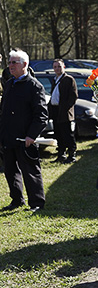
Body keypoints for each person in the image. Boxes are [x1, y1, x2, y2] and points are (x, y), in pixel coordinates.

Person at [0, 50, 48, 212]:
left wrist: (31, 135)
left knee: (30, 171)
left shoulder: (34, 86)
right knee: (10, 171)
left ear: (25, 64)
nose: (10, 66)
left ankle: (36, 203)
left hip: (25, 139)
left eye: (14, 62)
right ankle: (17, 200)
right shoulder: (9, 84)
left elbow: (41, 115)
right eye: (9, 62)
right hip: (8, 137)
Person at [48, 59, 78, 164]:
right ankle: (61, 154)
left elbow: (73, 97)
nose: (57, 69)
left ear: (63, 67)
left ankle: (72, 155)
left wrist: (65, 108)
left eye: (59, 66)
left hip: (65, 112)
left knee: (67, 134)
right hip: (55, 111)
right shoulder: (54, 79)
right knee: (58, 134)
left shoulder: (69, 79)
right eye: (55, 67)